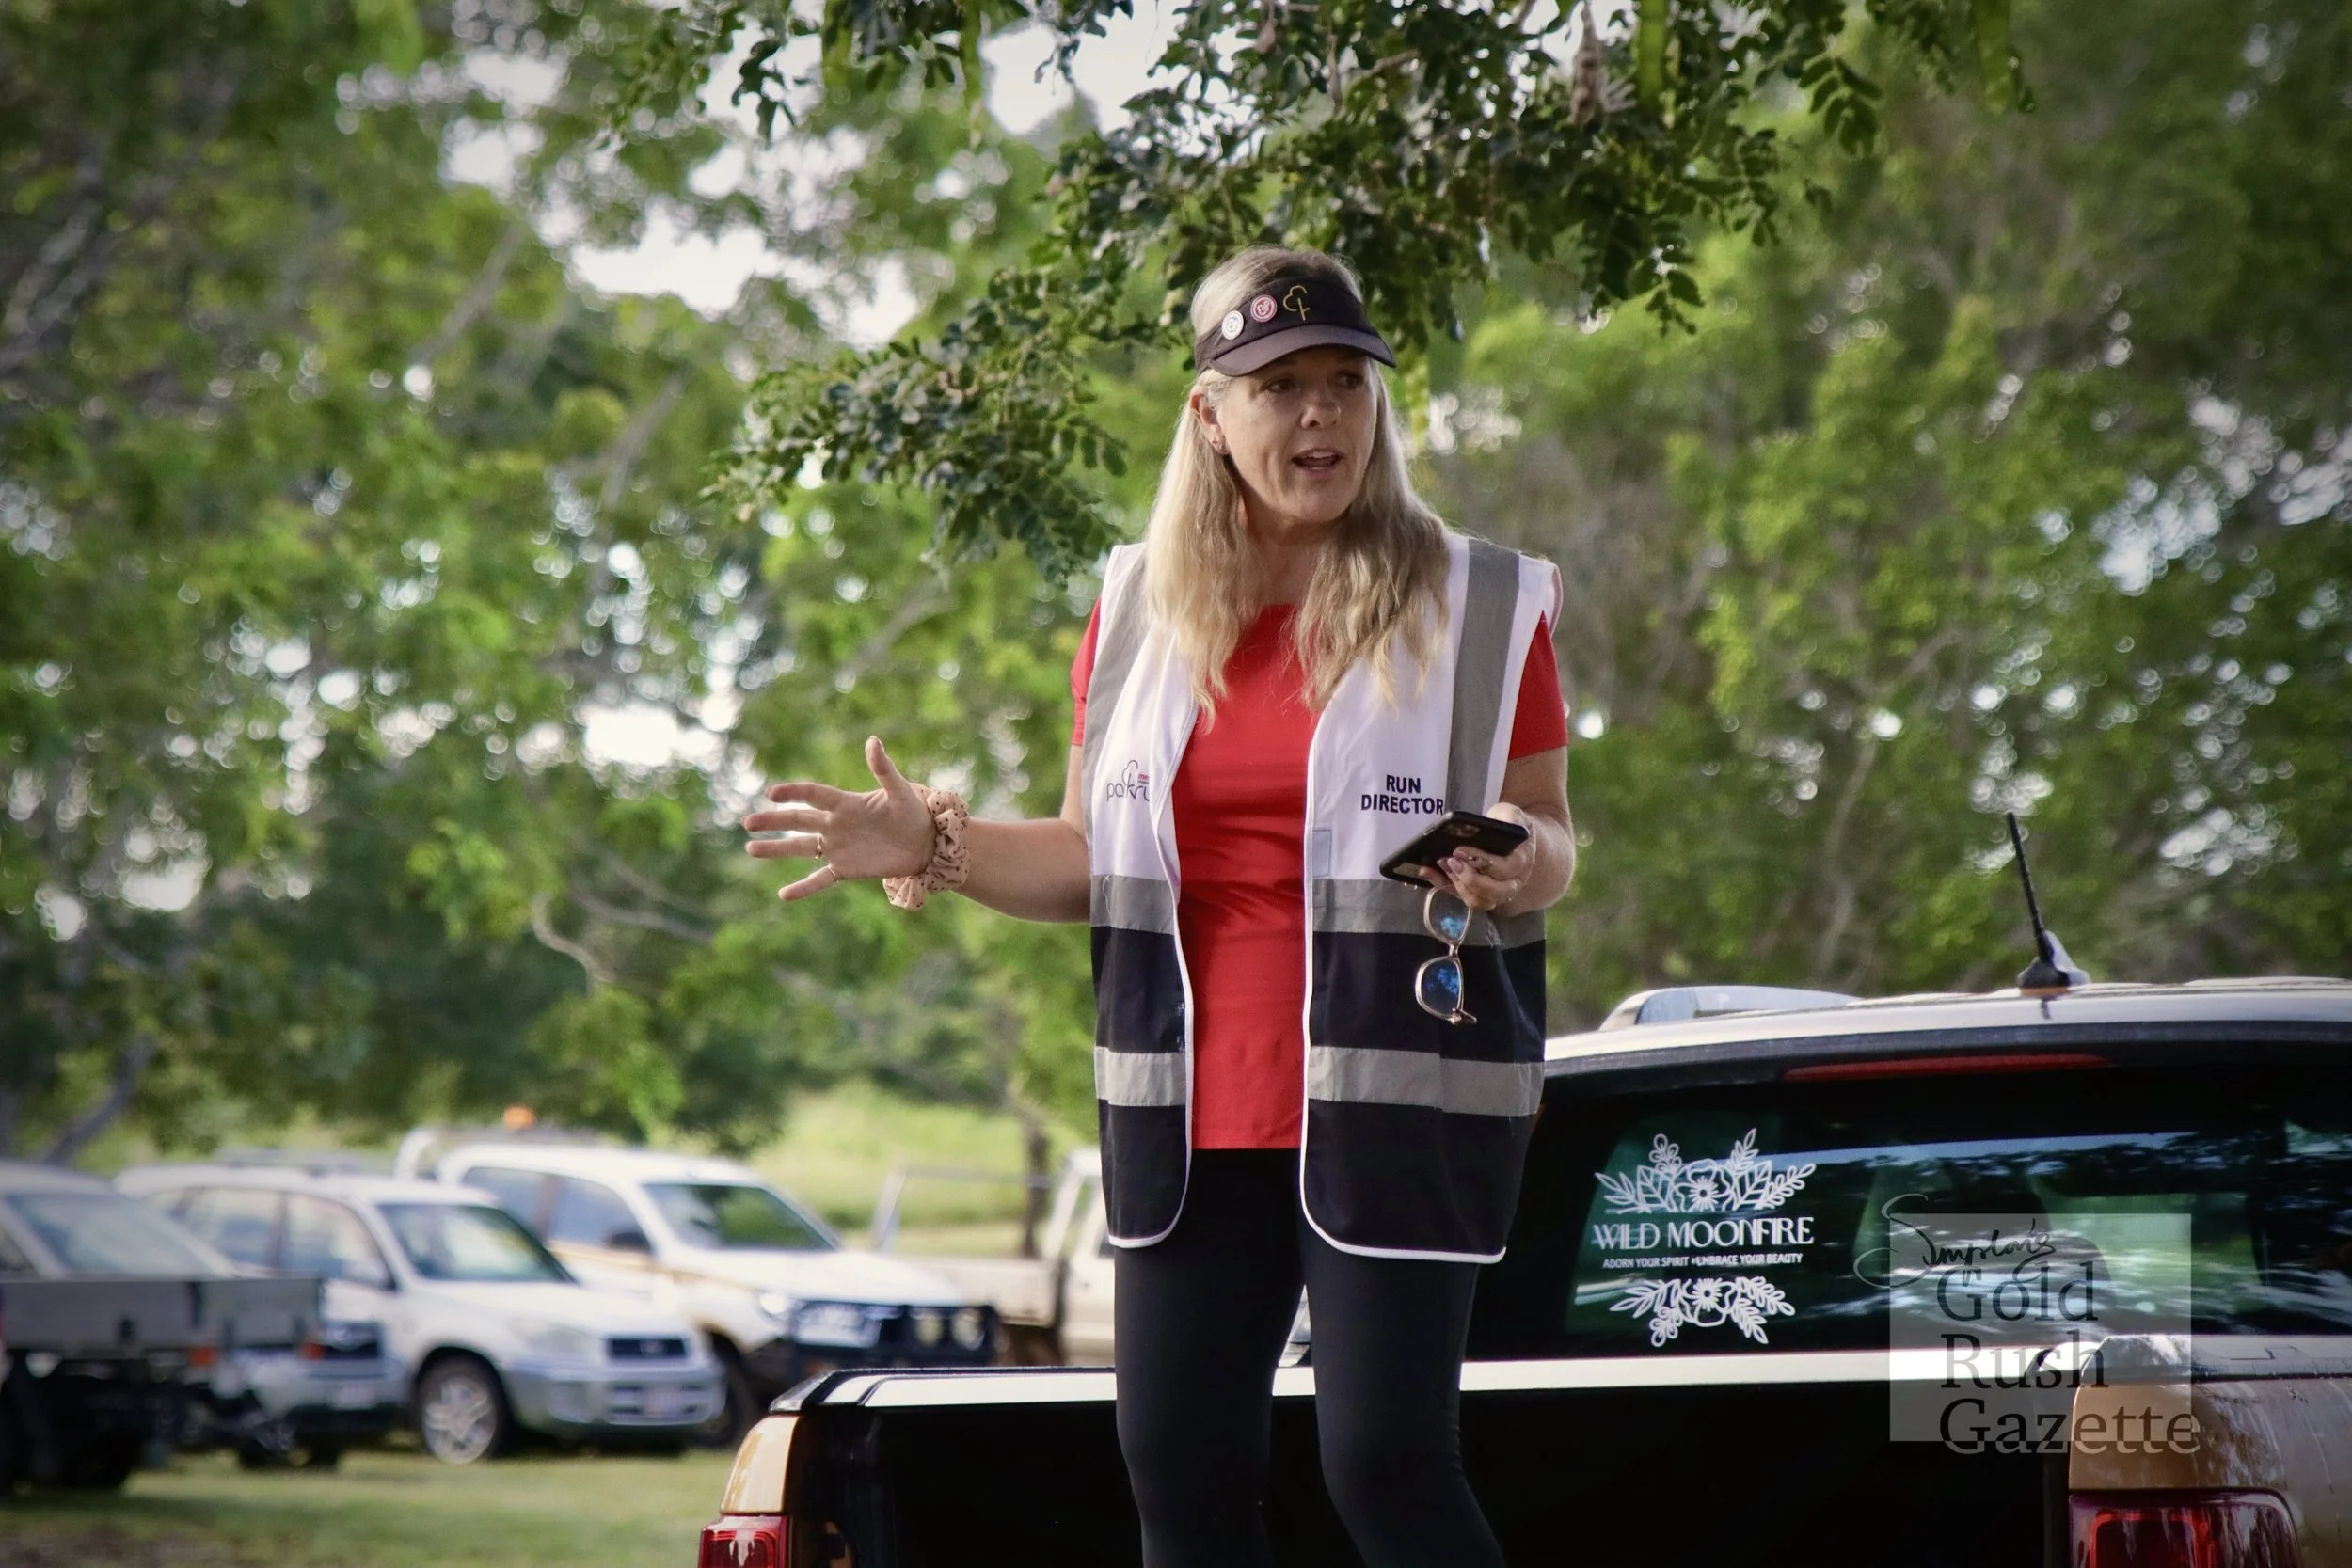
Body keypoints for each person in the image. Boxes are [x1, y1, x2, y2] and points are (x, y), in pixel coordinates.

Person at [743, 245, 1574, 1568]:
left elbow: (1550, 825)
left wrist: (1516, 856)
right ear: (1211, 413)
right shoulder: (1137, 605)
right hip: (1188, 1114)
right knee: (1178, 1474)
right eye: (1281, 386)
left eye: (1345, 382)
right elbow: (1088, 857)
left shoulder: (1479, 598)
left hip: (1395, 1097)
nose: (1321, 414)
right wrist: (932, 841)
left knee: (1385, 1465)